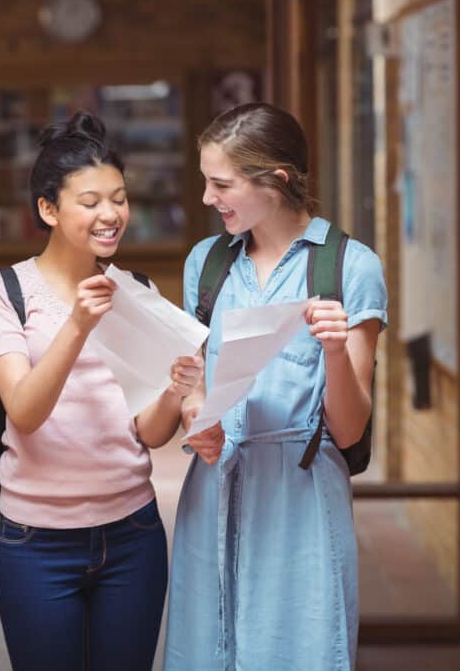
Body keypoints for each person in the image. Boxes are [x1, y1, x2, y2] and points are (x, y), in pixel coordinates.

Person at [0, 110, 204, 671]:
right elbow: (23, 412)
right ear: (48, 209)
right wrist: (77, 325)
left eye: (119, 199)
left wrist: (175, 390)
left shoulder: (137, 289)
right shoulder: (1, 290)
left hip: (134, 534)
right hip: (37, 543)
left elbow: (146, 433)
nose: (111, 215)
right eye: (91, 201)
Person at [163, 102, 387, 670]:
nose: (210, 198)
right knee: (205, 652)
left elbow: (350, 425)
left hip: (301, 492)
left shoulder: (349, 267)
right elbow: (197, 379)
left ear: (277, 180)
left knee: (299, 651)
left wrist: (335, 351)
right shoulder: (206, 263)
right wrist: (196, 415)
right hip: (212, 491)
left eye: (221, 184)